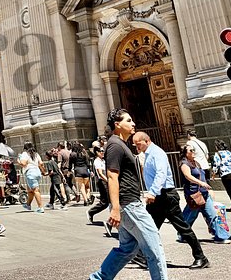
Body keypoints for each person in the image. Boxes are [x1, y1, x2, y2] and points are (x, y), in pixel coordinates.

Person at [89, 109, 168, 280]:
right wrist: (115, 208)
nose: (133, 123)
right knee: (155, 248)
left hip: (128, 203)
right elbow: (112, 176)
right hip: (129, 205)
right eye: (129, 120)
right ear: (117, 125)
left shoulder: (120, 144)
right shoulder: (116, 145)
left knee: (127, 249)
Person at [132, 132, 210, 269]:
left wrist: (152, 192)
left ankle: (201, 257)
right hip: (158, 197)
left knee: (182, 228)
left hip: (166, 196)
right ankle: (141, 255)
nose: (136, 147)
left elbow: (161, 174)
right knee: (148, 226)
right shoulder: (148, 154)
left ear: (147, 140)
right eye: (135, 144)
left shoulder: (157, 153)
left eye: (138, 144)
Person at [180, 145, 231, 244]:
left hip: (204, 193)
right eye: (191, 150)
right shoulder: (184, 164)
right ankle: (183, 234)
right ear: (186, 153)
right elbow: (188, 176)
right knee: (190, 216)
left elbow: (203, 176)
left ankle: (221, 236)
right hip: (194, 194)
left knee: (212, 214)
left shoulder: (196, 163)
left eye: (194, 150)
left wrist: (208, 188)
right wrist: (200, 183)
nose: (194, 152)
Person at [212, 140, 231, 212]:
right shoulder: (230, 153)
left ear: (217, 147)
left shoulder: (218, 154)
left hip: (227, 174)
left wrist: (213, 174)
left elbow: (216, 164)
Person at [87, 147, 111, 235]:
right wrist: (108, 181)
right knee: (106, 202)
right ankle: (91, 212)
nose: (102, 152)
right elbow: (100, 174)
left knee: (107, 202)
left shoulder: (103, 161)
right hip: (102, 183)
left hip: (106, 181)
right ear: (97, 152)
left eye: (103, 151)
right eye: (101, 151)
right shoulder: (97, 161)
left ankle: (110, 221)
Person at [18, 141, 45, 212]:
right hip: (37, 172)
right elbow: (41, 163)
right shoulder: (36, 154)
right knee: (30, 190)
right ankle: (28, 204)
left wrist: (19, 161)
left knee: (36, 190)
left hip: (30, 173)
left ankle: (40, 207)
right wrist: (43, 171)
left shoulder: (25, 154)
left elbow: (23, 163)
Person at [70, 141, 93, 206]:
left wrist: (69, 170)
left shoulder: (72, 154)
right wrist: (90, 170)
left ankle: (85, 200)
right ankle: (88, 198)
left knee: (82, 187)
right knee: (87, 187)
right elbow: (88, 163)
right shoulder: (84, 153)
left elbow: (70, 164)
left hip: (78, 171)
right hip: (85, 171)